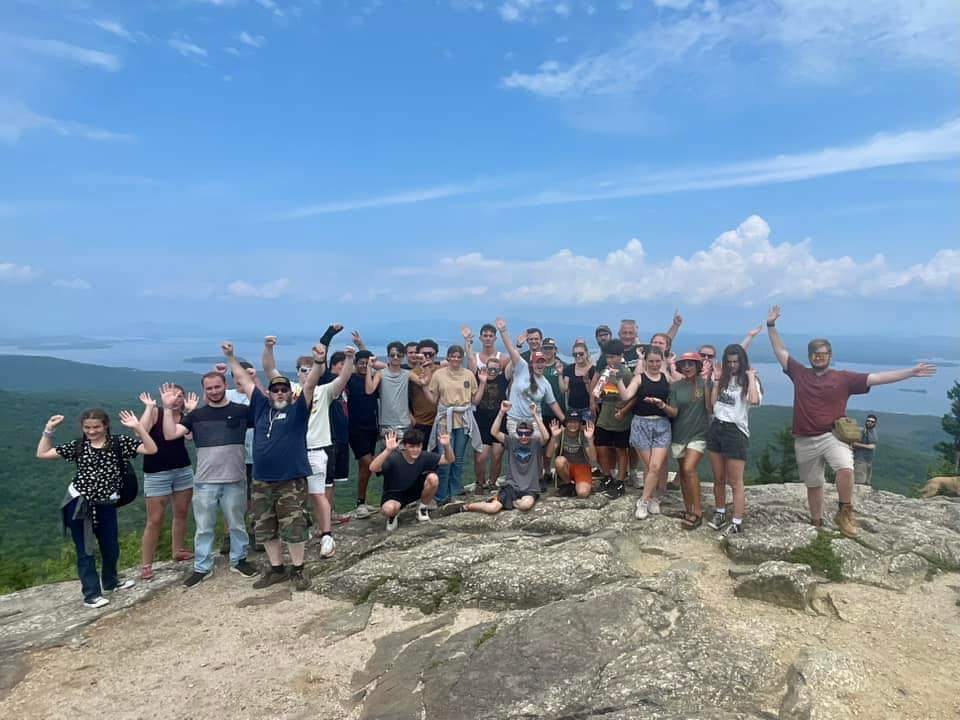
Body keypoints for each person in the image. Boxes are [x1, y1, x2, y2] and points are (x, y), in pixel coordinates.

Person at [766, 305, 935, 536]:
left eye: (823, 354)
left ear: (830, 356)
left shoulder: (843, 378)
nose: (819, 358)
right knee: (814, 484)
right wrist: (771, 325)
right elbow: (780, 350)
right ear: (810, 357)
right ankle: (816, 522)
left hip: (832, 435)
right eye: (815, 354)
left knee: (845, 468)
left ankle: (845, 513)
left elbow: (877, 378)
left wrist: (911, 372)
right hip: (804, 438)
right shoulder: (799, 373)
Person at [224, 340, 329, 591]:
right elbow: (246, 380)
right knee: (265, 525)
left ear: (289, 393)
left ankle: (298, 569)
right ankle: (277, 569)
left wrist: (317, 362)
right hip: (261, 480)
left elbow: (312, 382)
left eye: (283, 389)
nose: (280, 392)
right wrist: (231, 357)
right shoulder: (261, 407)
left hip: (290, 479)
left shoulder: (298, 410)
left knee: (294, 526)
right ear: (269, 393)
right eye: (275, 389)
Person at [37, 408, 157, 608]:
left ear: (106, 425)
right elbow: (42, 453)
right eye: (87, 428)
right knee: (86, 550)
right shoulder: (78, 445)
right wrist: (49, 430)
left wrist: (138, 428)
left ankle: (110, 581)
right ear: (82, 427)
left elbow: (151, 449)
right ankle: (91, 594)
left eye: (96, 427)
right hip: (79, 503)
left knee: (110, 546)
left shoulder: (118, 443)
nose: (92, 431)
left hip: (106, 502)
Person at [162, 371, 258, 586]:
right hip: (205, 480)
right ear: (204, 390)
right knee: (204, 527)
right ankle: (202, 567)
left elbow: (262, 412)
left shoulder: (241, 411)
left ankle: (239, 559)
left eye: (217, 386)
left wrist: (251, 381)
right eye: (209, 388)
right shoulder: (197, 415)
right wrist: (168, 409)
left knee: (237, 524)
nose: (214, 391)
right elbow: (170, 434)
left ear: (225, 385)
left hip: (235, 478)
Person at [137, 386, 199, 581]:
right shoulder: (156, 412)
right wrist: (153, 407)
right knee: (155, 519)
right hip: (156, 472)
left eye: (180, 395)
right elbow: (141, 432)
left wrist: (190, 412)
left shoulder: (184, 416)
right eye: (173, 395)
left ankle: (178, 550)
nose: (177, 398)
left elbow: (190, 436)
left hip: (182, 469)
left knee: (181, 512)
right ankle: (146, 564)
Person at [443, 401, 548, 515]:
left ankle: (504, 501)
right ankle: (464, 507)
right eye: (520, 433)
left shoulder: (535, 443)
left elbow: (546, 436)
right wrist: (502, 412)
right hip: (512, 486)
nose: (523, 437)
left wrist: (535, 415)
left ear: (532, 433)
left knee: (525, 505)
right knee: (493, 508)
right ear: (516, 433)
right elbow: (494, 432)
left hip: (530, 489)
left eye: (527, 434)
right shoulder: (512, 441)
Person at [705, 345, 762, 535]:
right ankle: (720, 512)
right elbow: (713, 406)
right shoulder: (723, 379)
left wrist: (751, 377)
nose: (732, 365)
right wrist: (715, 382)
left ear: (742, 361)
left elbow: (754, 400)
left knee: (735, 481)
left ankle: (737, 521)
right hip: (717, 427)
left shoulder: (747, 380)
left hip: (735, 432)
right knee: (718, 478)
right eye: (729, 362)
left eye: (736, 361)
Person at [416, 343, 481, 503]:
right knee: (444, 459)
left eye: (459, 356)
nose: (456, 359)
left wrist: (484, 384)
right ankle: (441, 496)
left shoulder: (469, 375)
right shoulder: (439, 375)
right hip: (445, 421)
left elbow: (474, 400)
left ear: (462, 358)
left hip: (463, 420)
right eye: (453, 356)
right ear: (448, 357)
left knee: (458, 460)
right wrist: (424, 387)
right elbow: (433, 400)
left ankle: (455, 492)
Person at [616, 346, 671, 519]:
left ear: (661, 361)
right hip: (641, 424)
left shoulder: (666, 377)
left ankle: (644, 501)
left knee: (655, 466)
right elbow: (626, 396)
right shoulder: (639, 379)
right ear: (645, 361)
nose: (654, 365)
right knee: (650, 467)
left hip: (661, 425)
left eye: (657, 361)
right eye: (651, 361)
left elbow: (680, 389)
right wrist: (617, 380)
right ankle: (652, 498)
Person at [370, 428, 454, 531]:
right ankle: (392, 517)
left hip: (414, 490)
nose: (415, 450)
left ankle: (422, 508)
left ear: (421, 446)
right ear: (404, 446)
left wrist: (446, 446)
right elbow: (373, 468)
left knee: (433, 478)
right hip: (394, 494)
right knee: (389, 510)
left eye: (418, 446)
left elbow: (449, 459)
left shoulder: (424, 456)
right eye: (411, 447)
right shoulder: (394, 458)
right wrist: (388, 450)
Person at [664, 352, 711, 529]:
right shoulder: (675, 386)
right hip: (679, 434)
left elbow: (710, 407)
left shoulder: (706, 383)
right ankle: (688, 508)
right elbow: (674, 411)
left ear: (698, 366)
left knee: (689, 468)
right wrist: (662, 406)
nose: (687, 367)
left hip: (698, 434)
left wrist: (708, 382)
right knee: (683, 474)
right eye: (684, 364)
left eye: (691, 364)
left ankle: (697, 512)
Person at [496, 317, 565, 436]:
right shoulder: (522, 367)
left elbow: (553, 403)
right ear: (531, 363)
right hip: (515, 420)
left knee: (537, 449)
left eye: (542, 362)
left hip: (535, 421)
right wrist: (503, 331)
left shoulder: (544, 382)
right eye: (537, 362)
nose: (540, 365)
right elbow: (511, 351)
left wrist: (566, 420)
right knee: (516, 450)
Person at [592, 339, 632, 497]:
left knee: (621, 449)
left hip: (621, 418)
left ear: (621, 356)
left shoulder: (626, 373)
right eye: (608, 357)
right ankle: (607, 476)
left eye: (614, 357)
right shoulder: (605, 372)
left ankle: (621, 481)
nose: (611, 360)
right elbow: (598, 392)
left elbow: (633, 396)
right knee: (601, 446)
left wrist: (624, 411)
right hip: (605, 415)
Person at [471, 352, 511, 493]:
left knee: (497, 455)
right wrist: (468, 343)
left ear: (499, 370)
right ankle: (480, 482)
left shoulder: (503, 379)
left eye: (495, 369)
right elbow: (470, 358)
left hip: (500, 422)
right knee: (481, 458)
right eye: (490, 369)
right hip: (482, 423)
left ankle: (493, 482)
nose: (492, 372)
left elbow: (513, 360)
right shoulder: (479, 377)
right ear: (485, 368)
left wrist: (517, 346)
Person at [347, 350, 380, 518]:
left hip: (372, 427)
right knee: (367, 462)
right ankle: (361, 503)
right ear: (355, 363)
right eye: (361, 363)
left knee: (364, 467)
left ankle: (361, 502)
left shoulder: (374, 379)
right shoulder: (350, 379)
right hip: (354, 427)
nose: (363, 366)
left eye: (367, 363)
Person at [367, 340, 412, 439]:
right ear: (388, 356)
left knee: (404, 453)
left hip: (404, 423)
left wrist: (423, 365)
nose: (395, 357)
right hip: (385, 423)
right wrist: (369, 367)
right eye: (392, 355)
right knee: (387, 454)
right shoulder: (380, 373)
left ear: (403, 357)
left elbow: (423, 382)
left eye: (399, 355)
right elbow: (369, 390)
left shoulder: (408, 374)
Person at [549, 413, 597, 498]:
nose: (573, 425)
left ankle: (579, 485)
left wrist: (590, 440)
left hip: (582, 467)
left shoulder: (584, 434)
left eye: (576, 422)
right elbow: (548, 454)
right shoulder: (561, 433)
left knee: (582, 494)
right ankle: (568, 485)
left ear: (580, 423)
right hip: (567, 467)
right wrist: (553, 437)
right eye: (570, 422)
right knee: (559, 461)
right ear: (566, 423)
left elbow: (593, 458)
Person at [409, 339, 439, 449]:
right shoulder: (412, 374)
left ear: (436, 354)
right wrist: (409, 415)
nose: (427, 356)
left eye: (430, 353)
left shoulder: (442, 371)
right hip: (420, 423)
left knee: (439, 460)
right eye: (423, 354)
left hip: (440, 422)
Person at [560, 340, 596, 422]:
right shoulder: (569, 369)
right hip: (572, 408)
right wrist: (559, 374)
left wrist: (587, 382)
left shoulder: (593, 370)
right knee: (573, 433)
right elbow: (563, 390)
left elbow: (594, 393)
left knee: (587, 433)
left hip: (588, 408)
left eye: (581, 353)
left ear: (586, 353)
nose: (578, 356)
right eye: (575, 354)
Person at [852, 415, 878, 487]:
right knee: (859, 483)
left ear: (875, 423)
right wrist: (867, 446)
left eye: (872, 421)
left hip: (869, 461)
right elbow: (853, 443)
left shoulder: (873, 431)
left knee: (866, 483)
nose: (869, 422)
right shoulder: (861, 431)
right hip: (860, 460)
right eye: (868, 421)